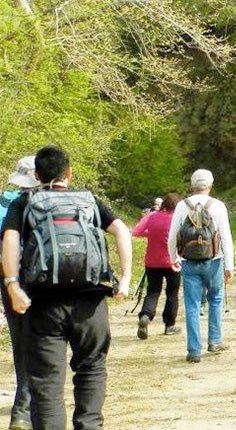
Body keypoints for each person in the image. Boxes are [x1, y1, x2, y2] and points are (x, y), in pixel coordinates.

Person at [1, 145, 132, 430]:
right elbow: (121, 230)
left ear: (36, 175)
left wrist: (13, 287)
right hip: (91, 304)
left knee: (46, 383)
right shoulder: (88, 200)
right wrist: (124, 278)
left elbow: (9, 240)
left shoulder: (24, 203)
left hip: (43, 305)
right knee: (92, 370)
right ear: (69, 172)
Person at [168, 169, 234, 363]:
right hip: (214, 261)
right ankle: (214, 340)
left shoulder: (182, 206)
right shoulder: (218, 206)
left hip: (189, 262)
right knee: (215, 299)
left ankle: (194, 350)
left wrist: (174, 258)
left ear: (192, 185)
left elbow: (172, 236)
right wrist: (229, 265)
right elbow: (226, 237)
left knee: (192, 304)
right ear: (210, 185)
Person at [0, 156, 39, 430]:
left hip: (9, 278)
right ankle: (25, 409)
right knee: (45, 342)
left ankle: (24, 406)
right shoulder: (56, 201)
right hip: (45, 279)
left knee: (21, 344)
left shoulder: (5, 201)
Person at [134, 193, 182, 339]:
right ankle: (169, 325)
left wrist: (152, 233)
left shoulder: (152, 216)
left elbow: (137, 231)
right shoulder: (177, 218)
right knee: (172, 293)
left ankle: (146, 316)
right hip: (173, 261)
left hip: (152, 261)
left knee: (153, 291)